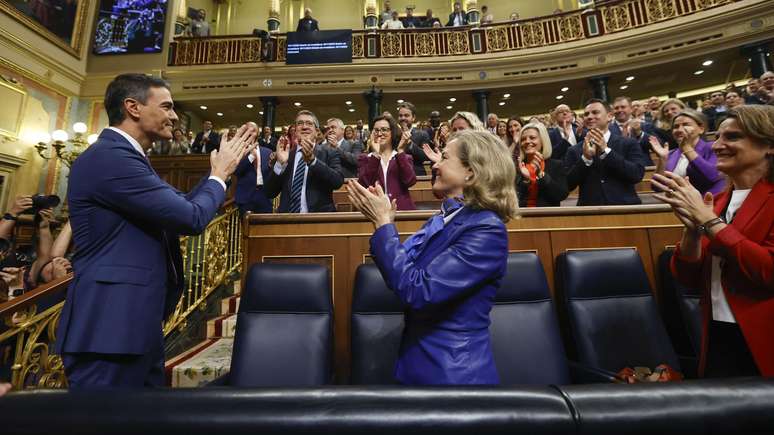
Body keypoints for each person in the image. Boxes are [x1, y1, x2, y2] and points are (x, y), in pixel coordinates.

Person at [54, 73, 255, 389]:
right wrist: (220, 174)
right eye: (167, 107)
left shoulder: (128, 158)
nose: (174, 116)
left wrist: (219, 174)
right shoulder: (111, 158)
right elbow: (191, 217)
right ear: (133, 107)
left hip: (133, 326)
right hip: (109, 329)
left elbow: (183, 205)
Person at [346, 129, 518, 385]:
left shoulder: (486, 229)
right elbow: (402, 270)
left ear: (471, 171)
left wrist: (383, 224)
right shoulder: (444, 219)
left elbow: (418, 289)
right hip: (418, 365)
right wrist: (385, 222)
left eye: (444, 158)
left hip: (453, 377)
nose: (435, 164)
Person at [653, 105, 774, 377]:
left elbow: (768, 271)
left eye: (732, 137)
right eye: (717, 137)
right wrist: (693, 232)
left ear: (769, 145)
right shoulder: (715, 202)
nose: (718, 145)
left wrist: (710, 223)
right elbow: (687, 277)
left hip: (764, 338)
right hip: (718, 334)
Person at [564, 99, 647, 206]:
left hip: (626, 209)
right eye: (586, 114)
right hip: (589, 212)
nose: (589, 117)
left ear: (609, 116)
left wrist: (606, 152)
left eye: (595, 112)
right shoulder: (574, 150)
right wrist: (585, 159)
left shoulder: (628, 143)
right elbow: (567, 184)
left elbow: (636, 175)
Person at [265, 110, 344, 213]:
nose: (304, 127)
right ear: (295, 130)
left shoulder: (330, 152)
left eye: (309, 123)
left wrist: (313, 161)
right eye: (300, 123)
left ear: (317, 131)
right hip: (287, 221)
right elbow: (269, 192)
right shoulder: (286, 155)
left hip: (319, 221)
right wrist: (280, 164)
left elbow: (337, 181)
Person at [650, 109, 725, 196]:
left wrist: (687, 149)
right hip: (677, 203)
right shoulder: (670, 154)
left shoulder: (712, 147)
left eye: (686, 125)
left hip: (708, 201)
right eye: (676, 127)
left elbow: (713, 176)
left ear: (701, 129)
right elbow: (656, 187)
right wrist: (662, 159)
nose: (679, 129)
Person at [358, 116, 416, 210]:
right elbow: (364, 184)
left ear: (392, 132)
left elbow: (410, 181)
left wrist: (401, 150)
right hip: (376, 211)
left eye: (384, 130)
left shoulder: (403, 157)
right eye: (376, 130)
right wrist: (376, 155)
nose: (380, 133)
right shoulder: (365, 159)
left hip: (401, 211)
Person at [516, 123, 568, 207]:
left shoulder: (556, 165)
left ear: (542, 141)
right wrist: (525, 180)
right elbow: (514, 199)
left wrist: (541, 175)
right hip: (522, 217)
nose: (527, 141)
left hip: (548, 218)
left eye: (532, 138)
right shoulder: (518, 167)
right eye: (523, 139)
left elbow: (561, 195)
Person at [234, 123, 273, 215]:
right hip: (245, 197)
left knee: (266, 228)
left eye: (253, 130)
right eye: (248, 130)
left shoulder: (268, 152)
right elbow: (236, 171)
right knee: (246, 228)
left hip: (264, 197)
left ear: (258, 133)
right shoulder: (237, 151)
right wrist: (251, 156)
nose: (250, 132)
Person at [396, 102, 431, 176]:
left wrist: (410, 143)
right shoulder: (393, 135)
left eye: (406, 115)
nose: (403, 118)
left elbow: (426, 157)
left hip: (416, 175)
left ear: (413, 118)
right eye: (400, 116)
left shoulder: (422, 134)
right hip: (397, 175)